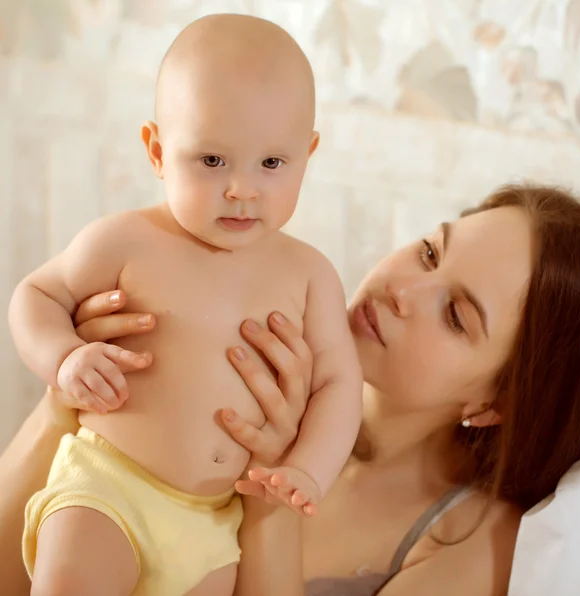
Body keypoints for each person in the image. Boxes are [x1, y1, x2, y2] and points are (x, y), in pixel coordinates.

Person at [3, 183, 580, 596]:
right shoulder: (243, 346)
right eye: (427, 253)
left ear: (495, 404)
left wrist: (272, 496)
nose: (403, 290)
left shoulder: (474, 542)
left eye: (456, 316)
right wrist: (70, 401)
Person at [8, 14, 361, 596]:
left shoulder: (310, 275)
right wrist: (64, 357)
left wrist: (306, 470)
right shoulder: (124, 240)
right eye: (212, 161)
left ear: (308, 152)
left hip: (212, 521)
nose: (242, 189)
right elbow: (36, 296)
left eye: (272, 164)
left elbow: (339, 385)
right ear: (157, 150)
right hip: (107, 489)